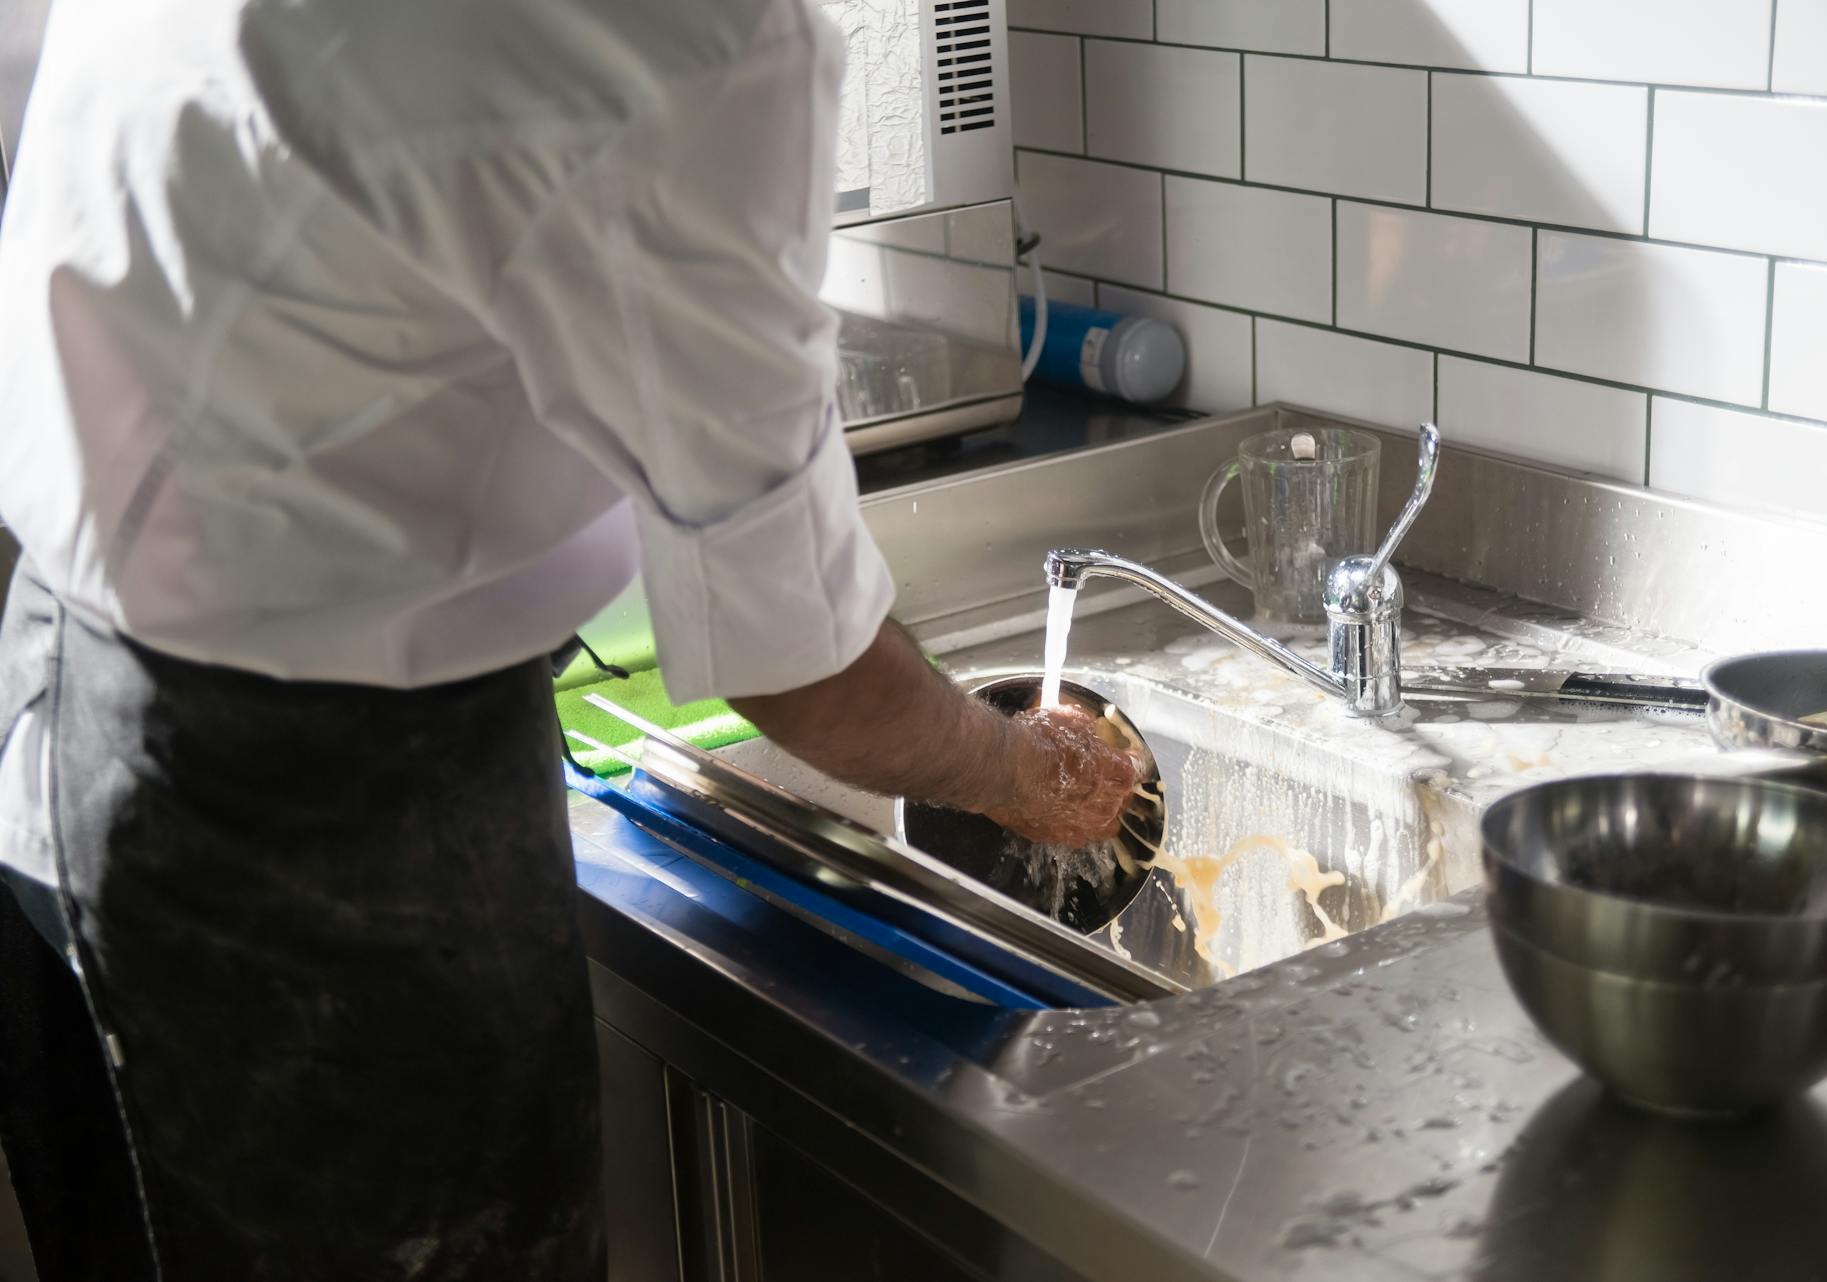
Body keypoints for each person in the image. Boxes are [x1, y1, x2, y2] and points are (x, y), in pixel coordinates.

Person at [0, 1, 1141, 1277]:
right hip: (309, 819)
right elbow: (800, 666)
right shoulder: (693, 38)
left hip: (67, 688)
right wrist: (1008, 765)